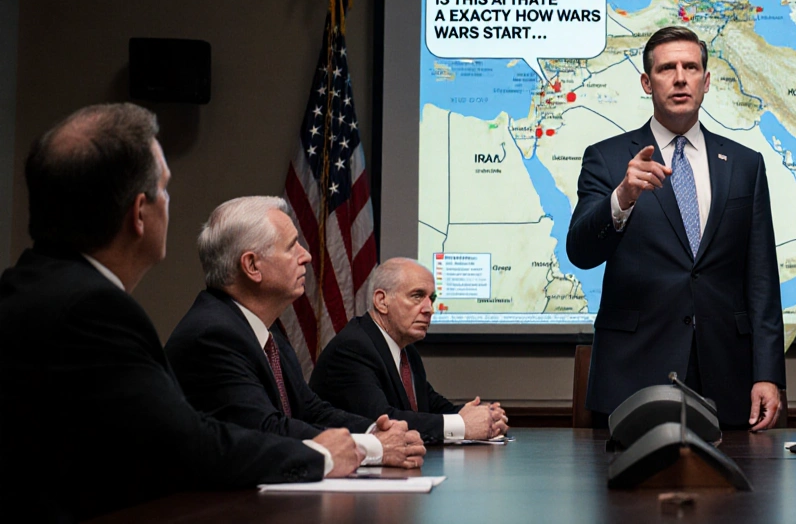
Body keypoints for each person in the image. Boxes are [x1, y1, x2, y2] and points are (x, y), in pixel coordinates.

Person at [0, 104, 360, 521]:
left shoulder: (25, 286)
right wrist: (319, 456)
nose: (169, 203)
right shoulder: (94, 310)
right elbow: (188, 446)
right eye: (165, 189)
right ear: (139, 213)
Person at [565, 26, 786, 429]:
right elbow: (580, 252)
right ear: (647, 83)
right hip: (633, 373)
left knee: (734, 492)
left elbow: (762, 280)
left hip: (726, 374)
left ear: (706, 81)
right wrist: (622, 198)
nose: (681, 77)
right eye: (667, 68)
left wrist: (768, 374)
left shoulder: (744, 164)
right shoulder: (608, 159)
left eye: (691, 67)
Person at [164, 196, 426, 469]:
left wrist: (375, 430)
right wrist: (374, 447)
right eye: (292, 247)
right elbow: (265, 428)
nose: (307, 256)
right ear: (252, 266)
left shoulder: (266, 331)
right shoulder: (213, 335)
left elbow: (310, 409)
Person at [310, 257, 509, 443]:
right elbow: (383, 421)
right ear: (381, 301)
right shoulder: (353, 348)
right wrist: (462, 425)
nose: (429, 308)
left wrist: (485, 416)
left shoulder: (406, 351)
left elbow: (431, 406)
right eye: (417, 296)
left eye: (431, 298)